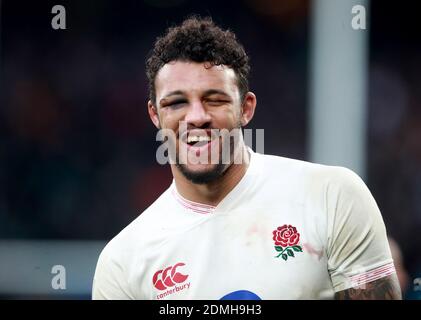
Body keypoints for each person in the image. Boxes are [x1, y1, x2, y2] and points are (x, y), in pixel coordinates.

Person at [92, 16, 402, 300]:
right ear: (154, 114)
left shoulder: (331, 196)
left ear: (246, 108)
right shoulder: (123, 261)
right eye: (176, 103)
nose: (197, 117)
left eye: (215, 100)